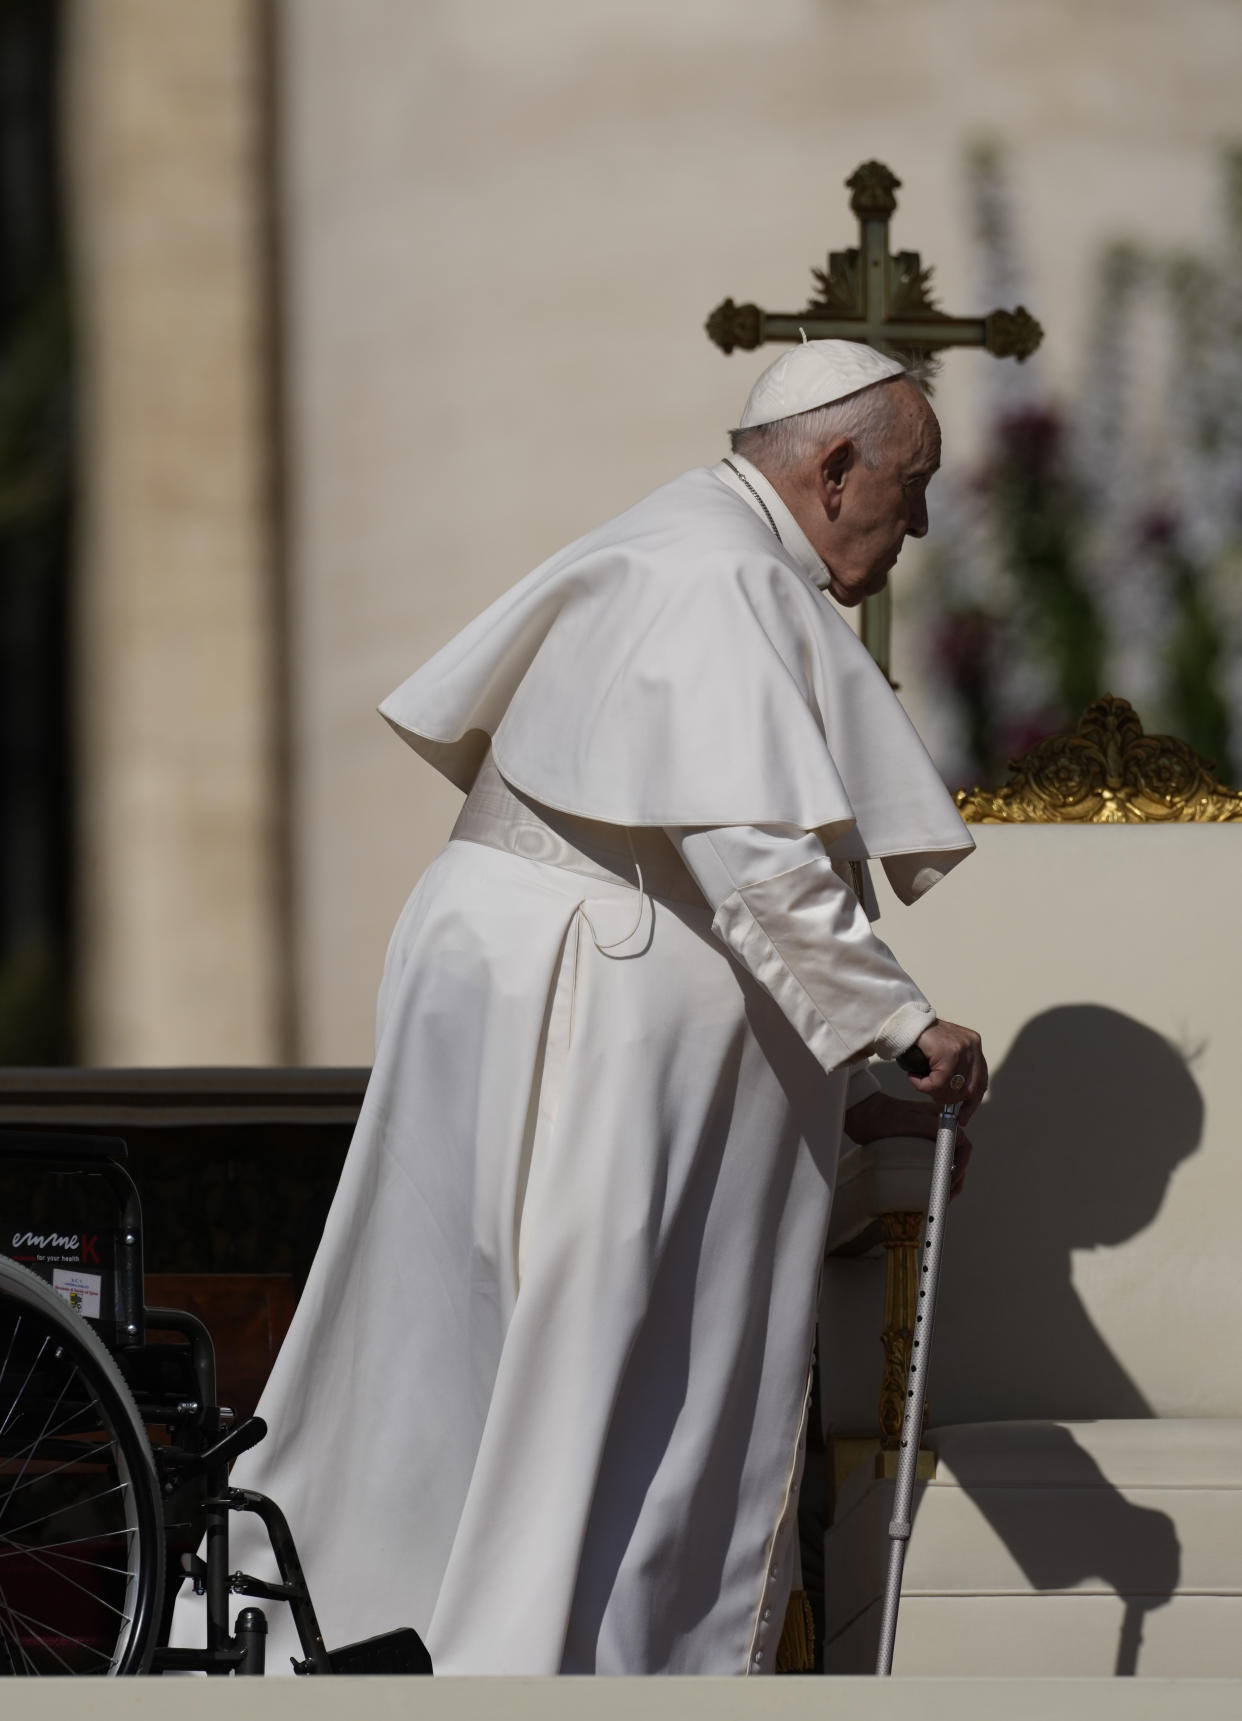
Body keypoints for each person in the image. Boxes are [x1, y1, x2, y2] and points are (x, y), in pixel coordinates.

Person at [173, 338, 987, 1675]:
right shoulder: (718, 571)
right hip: (581, 997)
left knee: (458, 1363)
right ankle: (527, 1677)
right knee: (575, 1378)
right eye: (912, 482)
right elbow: (752, 853)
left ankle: (331, 1647)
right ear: (833, 468)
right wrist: (901, 1021)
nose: (919, 519)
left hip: (516, 961)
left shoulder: (689, 541)